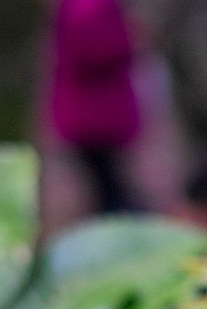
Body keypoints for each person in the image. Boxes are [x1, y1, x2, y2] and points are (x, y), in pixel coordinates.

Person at [48, 0, 142, 214]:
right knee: (110, 192)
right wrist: (128, 41)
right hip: (94, 120)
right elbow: (90, 47)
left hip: (94, 117)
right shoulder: (88, 7)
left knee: (108, 187)